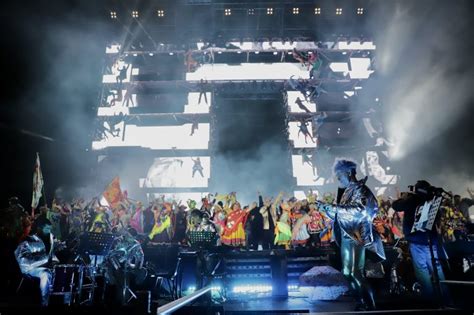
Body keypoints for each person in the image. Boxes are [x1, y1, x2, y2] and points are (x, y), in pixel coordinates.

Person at [316, 159, 385, 310]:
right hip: (347, 235)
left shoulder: (361, 189)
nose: (338, 180)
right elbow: (340, 214)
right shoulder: (348, 191)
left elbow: (359, 210)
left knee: (356, 272)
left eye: (339, 176)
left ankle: (369, 305)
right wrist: (326, 209)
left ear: (348, 173)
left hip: (357, 235)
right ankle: (360, 301)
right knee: (347, 272)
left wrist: (333, 207)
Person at [391, 180, 449, 305]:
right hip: (431, 241)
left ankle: (429, 300)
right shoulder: (433, 200)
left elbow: (396, 206)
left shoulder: (412, 200)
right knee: (437, 269)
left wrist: (406, 197)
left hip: (417, 241)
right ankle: (445, 298)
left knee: (422, 270)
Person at [14, 218, 54, 306]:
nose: (49, 232)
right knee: (45, 274)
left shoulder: (48, 240)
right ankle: (44, 303)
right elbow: (24, 262)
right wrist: (46, 258)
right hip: (29, 269)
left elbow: (51, 257)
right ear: (39, 228)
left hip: (42, 267)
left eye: (50, 229)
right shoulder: (28, 240)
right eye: (47, 229)